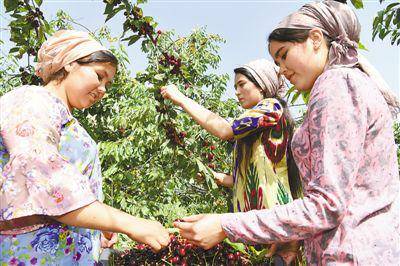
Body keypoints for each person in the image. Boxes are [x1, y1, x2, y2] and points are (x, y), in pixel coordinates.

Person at [173, 1, 400, 265]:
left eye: (284, 54)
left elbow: (327, 205)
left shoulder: (336, 84)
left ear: (315, 39)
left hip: (352, 254)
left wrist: (226, 225)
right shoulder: (348, 83)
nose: (281, 69)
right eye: (276, 61)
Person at [0, 30, 170, 265]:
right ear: (70, 64)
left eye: (108, 83)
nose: (103, 89)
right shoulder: (32, 100)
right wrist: (129, 223)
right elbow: (38, 170)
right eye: (99, 76)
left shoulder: (70, 122)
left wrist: (97, 229)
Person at [161, 59, 302, 263]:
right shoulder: (253, 129)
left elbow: (224, 130)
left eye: (242, 84)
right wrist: (216, 178)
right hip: (251, 226)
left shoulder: (272, 107)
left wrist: (181, 99)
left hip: (272, 221)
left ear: (262, 85)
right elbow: (245, 179)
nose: (236, 91)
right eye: (235, 86)